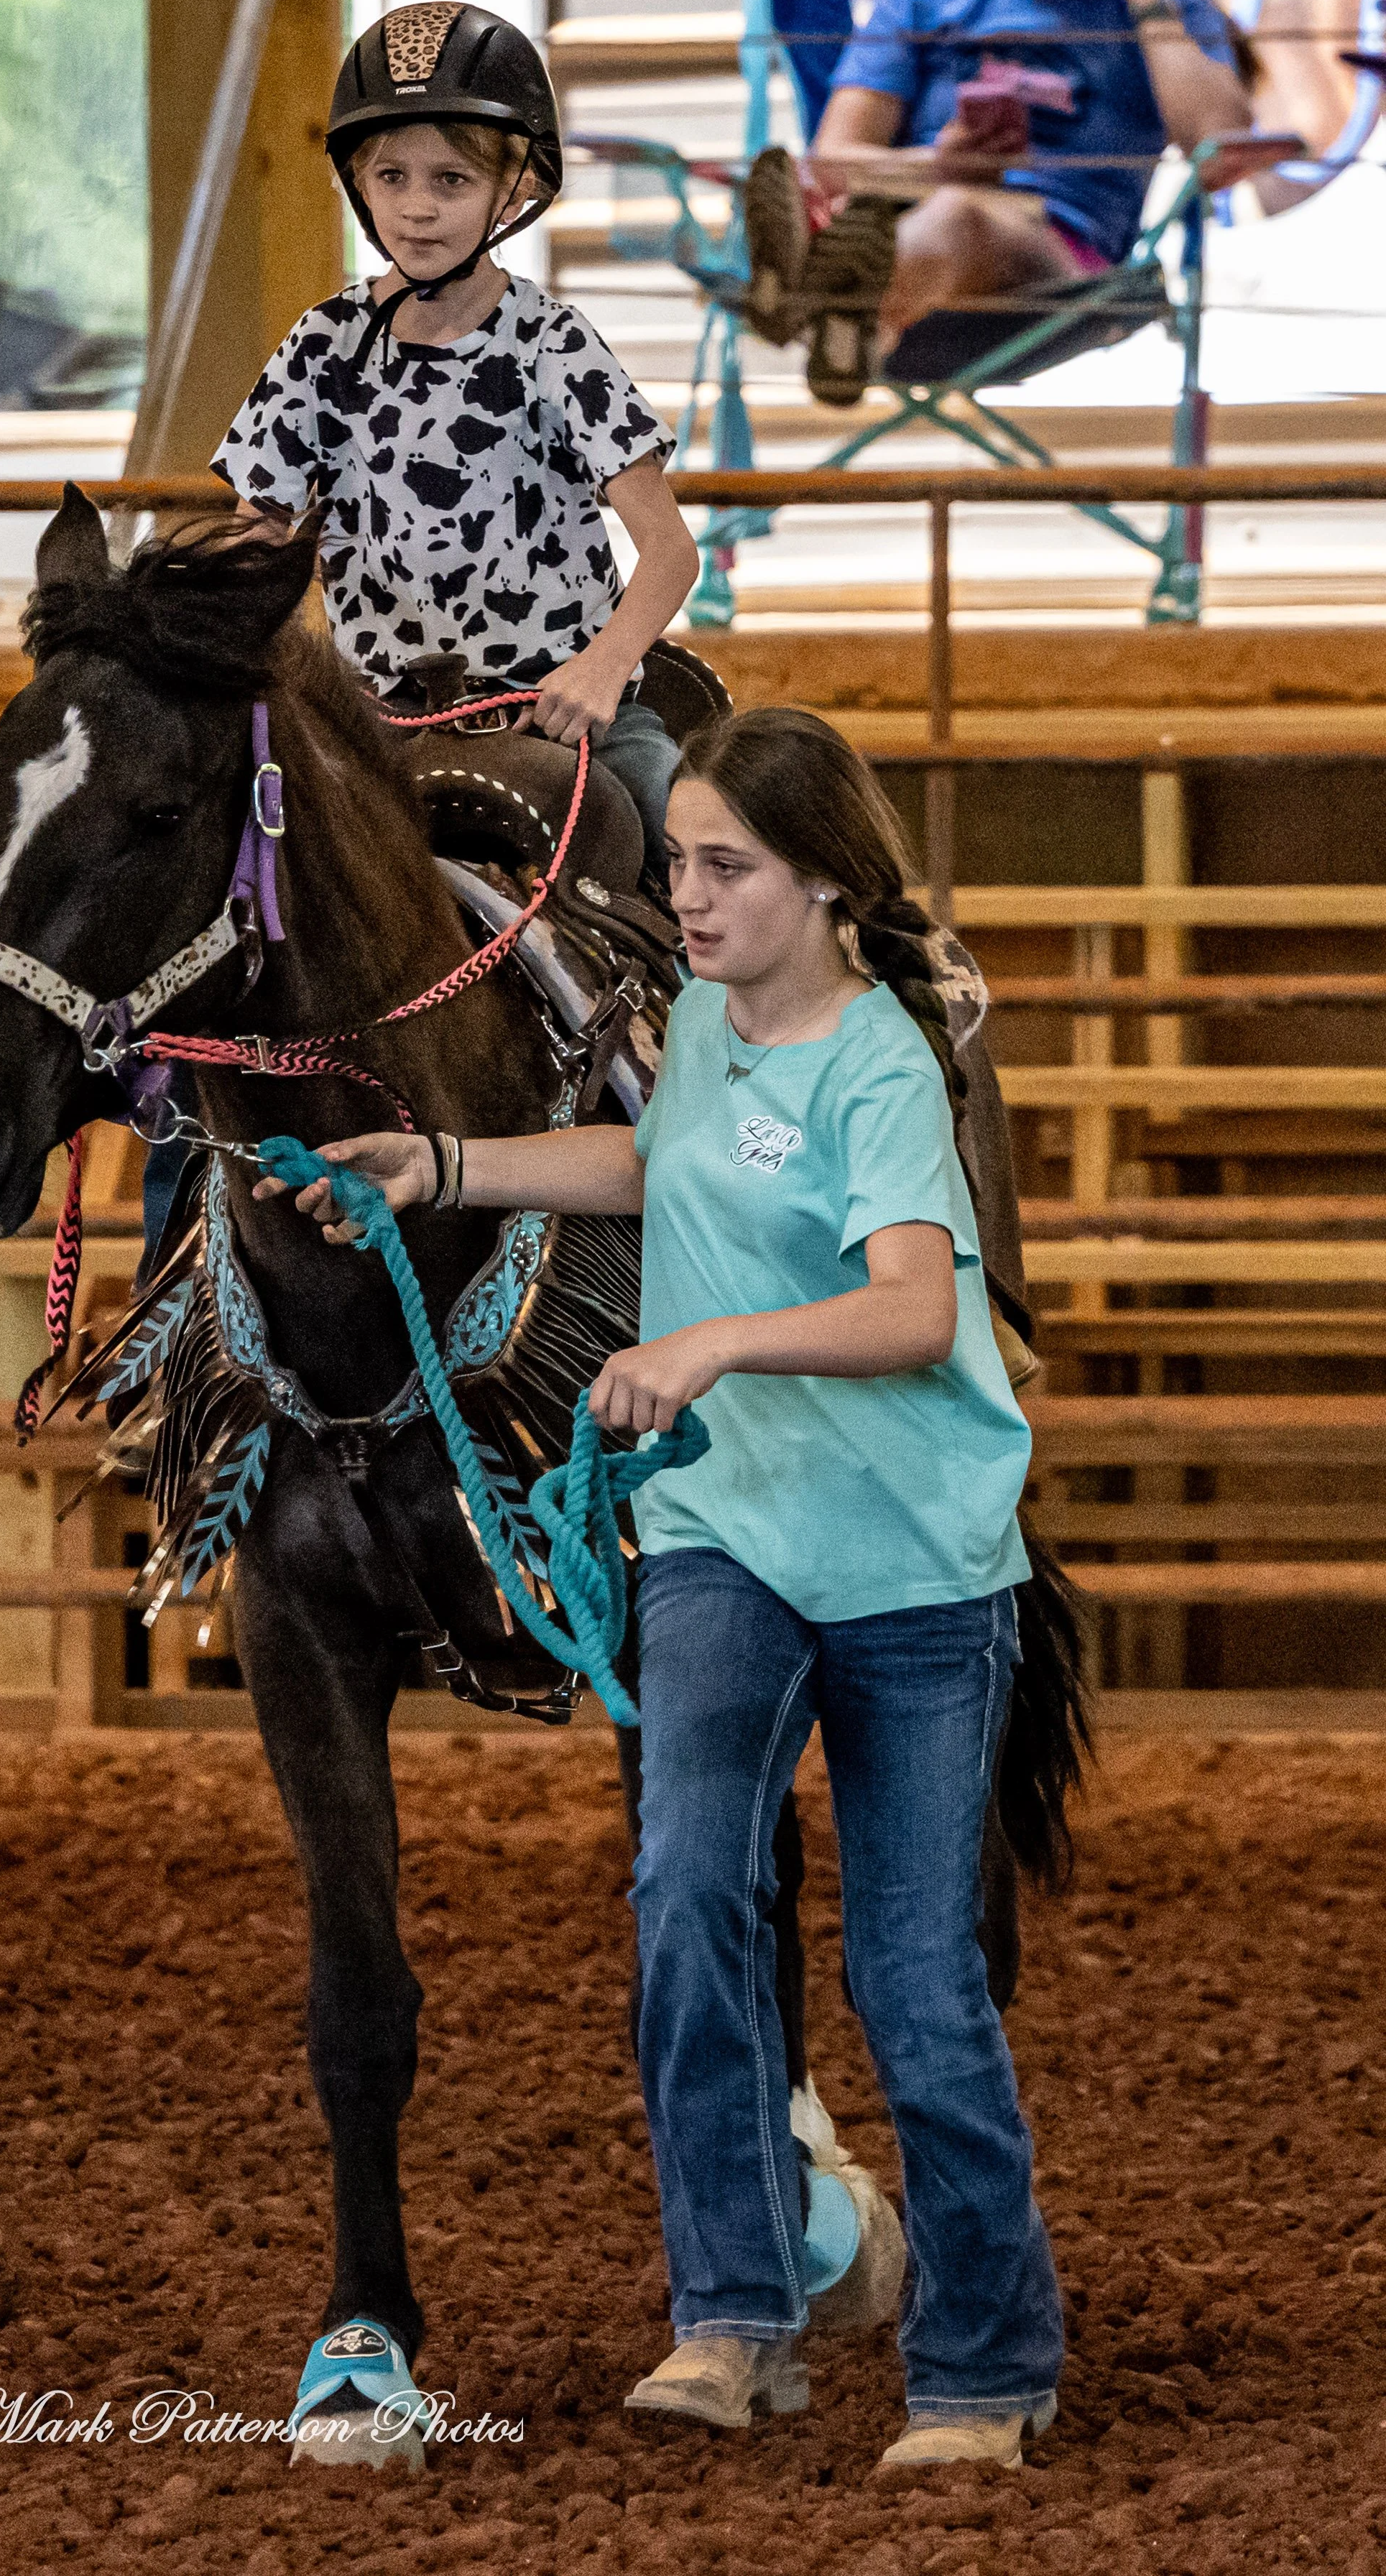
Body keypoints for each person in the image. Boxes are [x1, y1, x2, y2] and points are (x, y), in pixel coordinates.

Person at [260, 706, 1065, 2468]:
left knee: (913, 1975)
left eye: (724, 866)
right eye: (680, 858)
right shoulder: (699, 1025)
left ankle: (985, 2365)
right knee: (686, 1899)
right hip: (720, 1540)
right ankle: (732, 2311)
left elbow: (914, 1306)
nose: (684, 894)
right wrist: (446, 1165)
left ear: (824, 885)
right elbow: (661, 1162)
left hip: (911, 1565)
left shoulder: (877, 1068)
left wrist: (708, 1342)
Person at [211, 0, 700, 872]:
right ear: (357, 182)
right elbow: (257, 538)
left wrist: (599, 671)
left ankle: (732, 957)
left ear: (515, 190)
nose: (417, 209)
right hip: (379, 719)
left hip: (558, 709)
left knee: (682, 827)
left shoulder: (554, 344)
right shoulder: (320, 348)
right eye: (391, 176)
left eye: (451, 180)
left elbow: (669, 552)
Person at [749, 0, 1249, 404]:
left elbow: (1220, 149)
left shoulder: (1168, 11)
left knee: (959, 214)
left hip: (1062, 265)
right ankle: (845, 310)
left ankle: (814, 293)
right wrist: (938, 166)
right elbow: (834, 160)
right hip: (911, 212)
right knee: (840, 187)